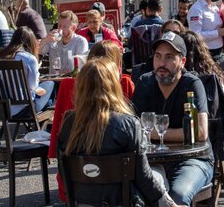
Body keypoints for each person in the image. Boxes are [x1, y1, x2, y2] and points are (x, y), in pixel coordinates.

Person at [57, 59, 179, 207]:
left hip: (82, 201)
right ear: (113, 85)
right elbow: (143, 177)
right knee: (158, 172)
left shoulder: (68, 122)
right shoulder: (128, 124)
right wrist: (170, 204)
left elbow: (64, 170)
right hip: (122, 201)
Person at [132, 32, 213, 206]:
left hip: (192, 159)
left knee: (178, 196)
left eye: (169, 57)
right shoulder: (144, 82)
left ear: (182, 61)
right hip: (152, 161)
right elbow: (134, 127)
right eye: (158, 56)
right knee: (139, 197)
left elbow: (200, 132)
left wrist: (155, 133)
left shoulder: (192, 84)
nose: (161, 63)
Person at [0, 27, 54, 115]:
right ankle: (47, 124)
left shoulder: (0, 56)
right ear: (31, 42)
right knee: (50, 84)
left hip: (3, 108)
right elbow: (33, 87)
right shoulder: (29, 59)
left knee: (47, 98)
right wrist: (37, 72)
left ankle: (44, 122)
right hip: (25, 108)